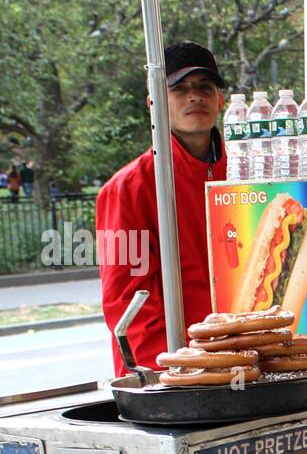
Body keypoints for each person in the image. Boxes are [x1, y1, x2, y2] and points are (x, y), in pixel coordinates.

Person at [97, 40, 229, 375]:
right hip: (173, 375)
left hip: (246, 363)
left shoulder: (250, 173)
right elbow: (128, 302)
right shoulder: (127, 189)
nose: (195, 96)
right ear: (153, 101)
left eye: (204, 87)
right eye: (180, 88)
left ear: (220, 99)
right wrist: (175, 372)